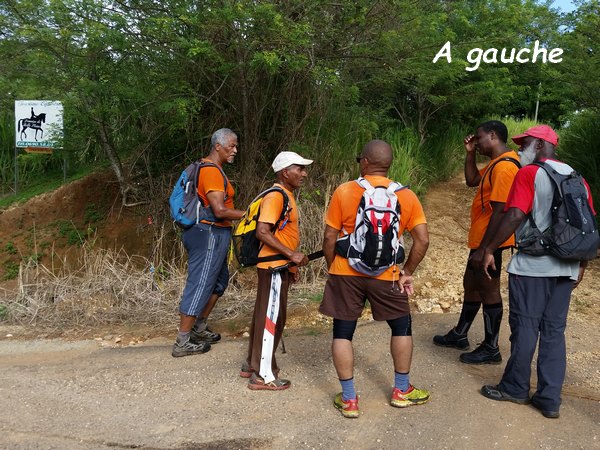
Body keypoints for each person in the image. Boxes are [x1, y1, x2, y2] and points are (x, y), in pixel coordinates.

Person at [477, 125, 595, 419]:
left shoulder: (528, 174)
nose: (521, 149)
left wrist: (489, 249)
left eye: (526, 143)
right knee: (554, 332)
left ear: (541, 145)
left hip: (533, 267)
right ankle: (549, 398)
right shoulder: (577, 178)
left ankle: (515, 388)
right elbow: (587, 226)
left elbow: (515, 214)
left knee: (526, 326)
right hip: (566, 266)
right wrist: (581, 264)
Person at [319, 140, 430, 418]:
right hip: (388, 274)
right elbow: (422, 240)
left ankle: (349, 400)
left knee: (343, 332)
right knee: (402, 327)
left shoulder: (345, 191)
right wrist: (407, 273)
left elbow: (330, 237)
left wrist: (334, 266)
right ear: (389, 164)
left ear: (365, 162)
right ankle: (401, 391)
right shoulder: (406, 195)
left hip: (346, 272)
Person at [433, 120, 520, 364]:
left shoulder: (505, 168)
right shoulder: (495, 164)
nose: (477, 142)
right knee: (471, 284)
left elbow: (502, 211)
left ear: (493, 136)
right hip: (482, 241)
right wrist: (469, 154)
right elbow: (472, 180)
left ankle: (491, 347)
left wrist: (486, 249)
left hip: (491, 243)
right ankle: (460, 334)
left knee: (488, 290)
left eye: (479, 139)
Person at [242, 151, 312, 390]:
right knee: (272, 319)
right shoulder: (276, 196)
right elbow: (263, 231)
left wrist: (291, 264)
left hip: (279, 265)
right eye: (299, 168)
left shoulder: (286, 195)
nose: (304, 173)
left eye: (304, 168)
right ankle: (264, 376)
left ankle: (253, 365)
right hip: (272, 267)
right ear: (285, 172)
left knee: (265, 315)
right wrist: (292, 255)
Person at [172, 128, 245, 357]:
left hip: (214, 233)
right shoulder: (212, 171)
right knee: (201, 283)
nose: (235, 150)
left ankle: (198, 327)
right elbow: (220, 210)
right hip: (208, 233)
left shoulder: (213, 169)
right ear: (217, 146)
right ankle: (182, 341)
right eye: (231, 146)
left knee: (218, 282)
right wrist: (251, 214)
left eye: (236, 146)